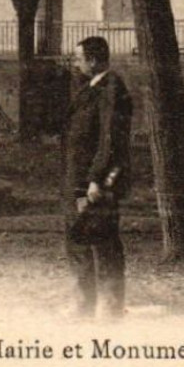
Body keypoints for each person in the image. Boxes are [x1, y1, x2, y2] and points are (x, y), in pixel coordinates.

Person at [62, 35, 132, 318]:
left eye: (78, 58)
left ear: (92, 60)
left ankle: (111, 309)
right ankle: (83, 305)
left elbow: (110, 138)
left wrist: (96, 178)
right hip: (77, 179)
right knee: (78, 241)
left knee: (103, 243)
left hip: (96, 181)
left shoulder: (111, 89)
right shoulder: (90, 87)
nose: (75, 63)